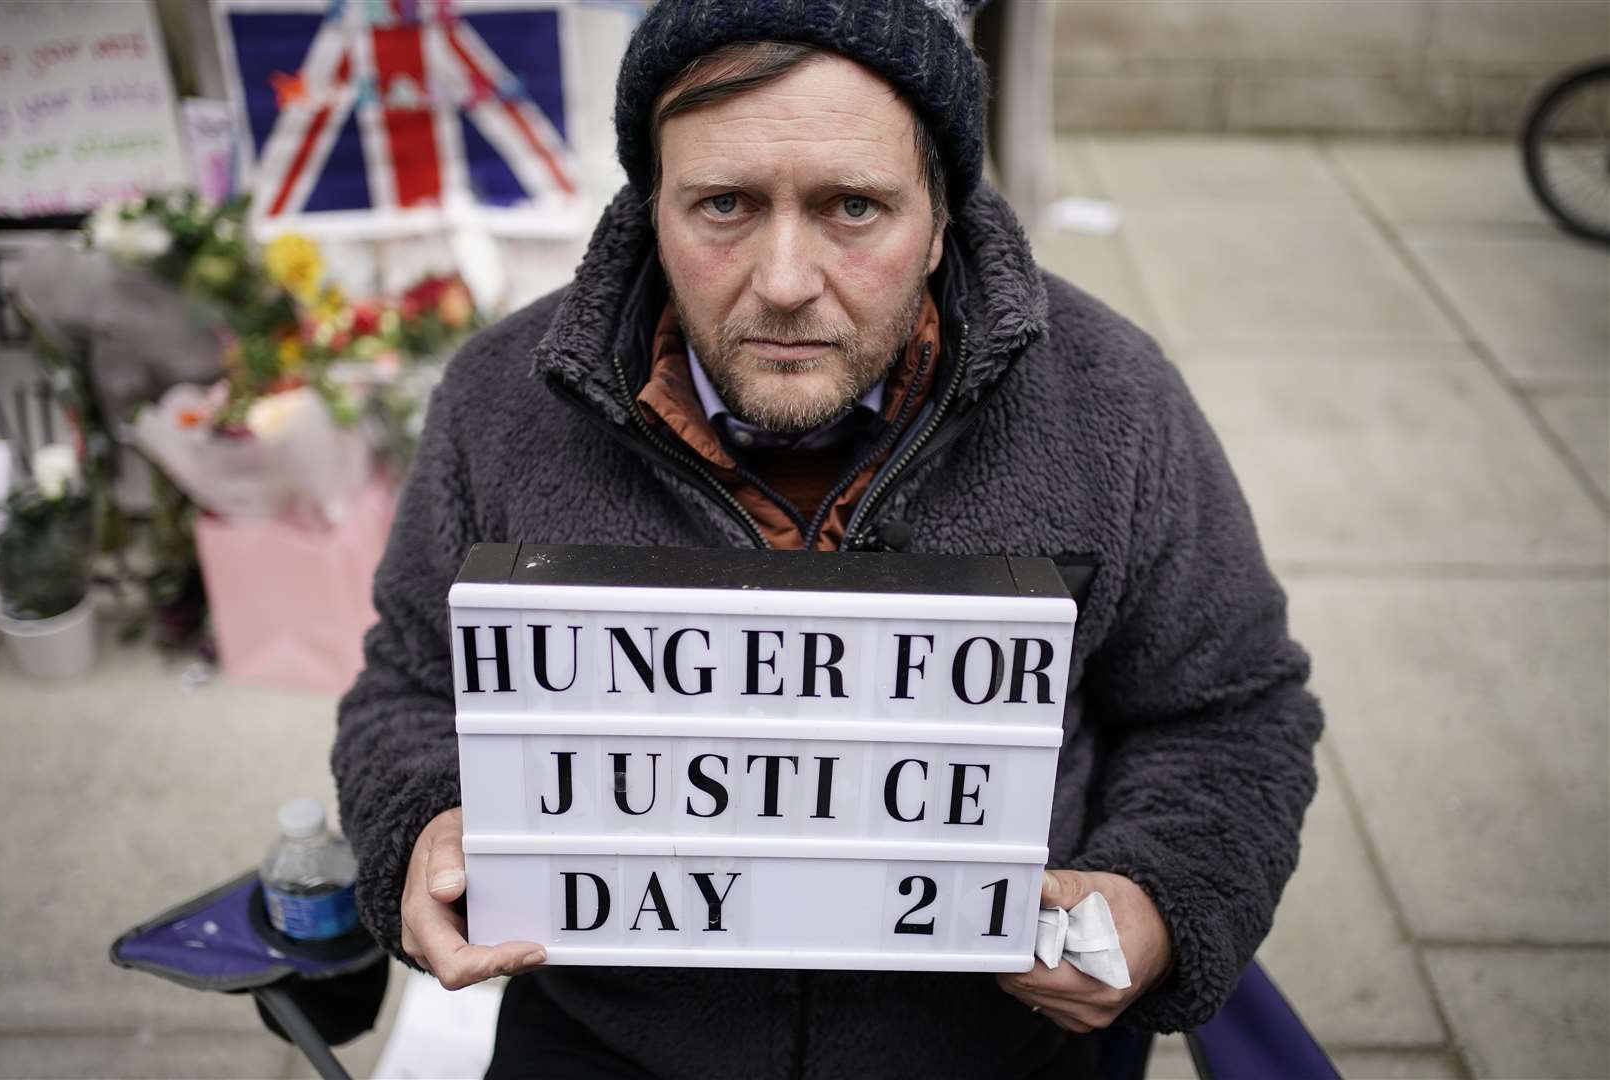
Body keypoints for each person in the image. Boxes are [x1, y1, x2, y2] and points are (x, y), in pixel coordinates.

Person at [332, 1, 1323, 1076]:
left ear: (942, 217)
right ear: (649, 204)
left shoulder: (1111, 404)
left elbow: (1230, 711)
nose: (786, 282)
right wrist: (423, 829)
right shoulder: (503, 402)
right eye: (723, 205)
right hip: (606, 1046)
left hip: (1004, 1056)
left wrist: (1159, 899)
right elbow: (411, 690)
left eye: (854, 207)